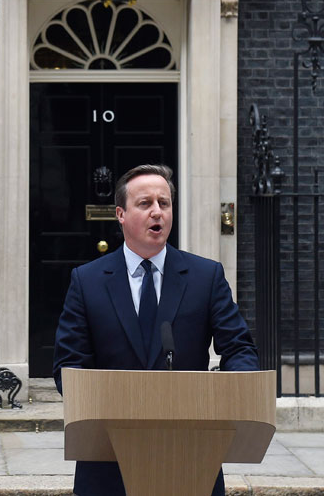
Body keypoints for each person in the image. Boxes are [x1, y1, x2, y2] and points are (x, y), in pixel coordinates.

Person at [52, 164, 259, 496]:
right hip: (109, 459)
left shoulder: (206, 277)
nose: (157, 212)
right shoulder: (87, 281)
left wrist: (225, 395)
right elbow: (68, 366)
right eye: (145, 203)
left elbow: (239, 349)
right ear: (120, 214)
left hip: (191, 454)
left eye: (164, 203)